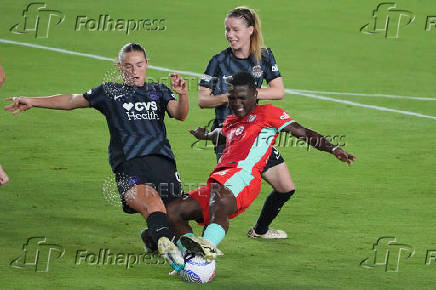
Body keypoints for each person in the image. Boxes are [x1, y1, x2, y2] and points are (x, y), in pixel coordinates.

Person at [4, 43, 189, 270]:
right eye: (128, 66)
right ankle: (169, 250)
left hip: (163, 163)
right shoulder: (109, 92)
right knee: (151, 204)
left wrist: (183, 96)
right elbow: (72, 100)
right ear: (120, 67)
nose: (134, 71)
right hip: (130, 166)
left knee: (173, 216)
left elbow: (180, 115)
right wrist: (33, 100)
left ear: (147, 65)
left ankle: (153, 237)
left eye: (139, 65)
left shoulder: (158, 90)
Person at [167, 72, 356, 261]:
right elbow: (226, 135)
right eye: (232, 98)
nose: (236, 103)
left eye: (242, 98)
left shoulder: (268, 114)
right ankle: (190, 254)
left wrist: (333, 148)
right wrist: (206, 135)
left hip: (244, 176)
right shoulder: (231, 121)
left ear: (255, 95)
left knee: (219, 202)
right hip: (222, 176)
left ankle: (207, 245)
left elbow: (302, 132)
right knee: (173, 210)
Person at [198, 7, 294, 239]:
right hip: (228, 136)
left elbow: (278, 91)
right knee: (224, 195)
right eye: (227, 30)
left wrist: (248, 93)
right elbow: (202, 99)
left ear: (250, 30)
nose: (230, 34)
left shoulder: (264, 56)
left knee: (285, 188)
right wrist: (228, 97)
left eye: (235, 29)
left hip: (257, 134)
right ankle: (205, 240)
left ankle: (260, 231)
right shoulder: (218, 61)